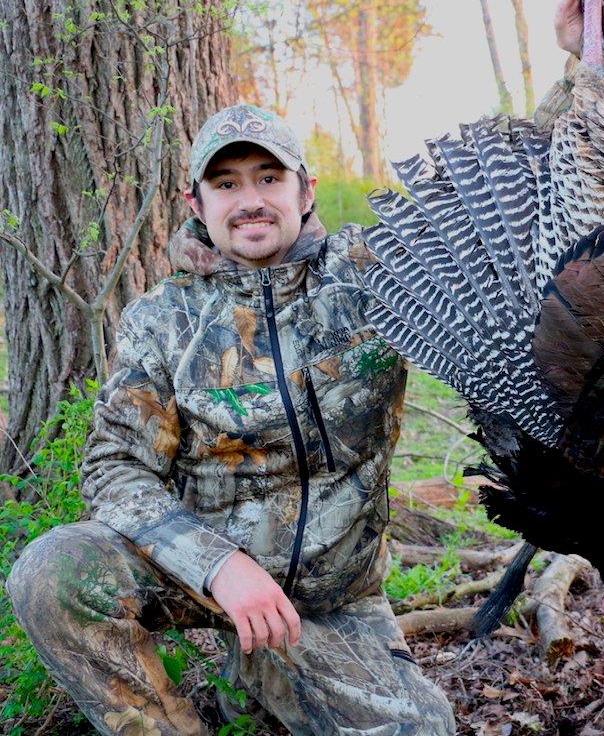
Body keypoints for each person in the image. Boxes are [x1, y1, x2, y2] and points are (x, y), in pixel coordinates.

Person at [6, 105, 456, 735]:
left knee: (423, 730)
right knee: (53, 569)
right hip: (203, 581)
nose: (251, 200)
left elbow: (496, 217)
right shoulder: (163, 318)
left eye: (269, 178)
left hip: (330, 604)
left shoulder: (374, 278)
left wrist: (585, 58)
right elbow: (114, 468)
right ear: (196, 200)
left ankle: (260, 676)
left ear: (306, 190)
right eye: (227, 184)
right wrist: (217, 565)